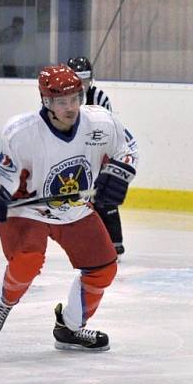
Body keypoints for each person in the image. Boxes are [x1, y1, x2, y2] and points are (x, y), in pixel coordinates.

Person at [0, 64, 138, 350]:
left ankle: (69, 328)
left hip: (75, 209)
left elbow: (127, 148)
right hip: (27, 209)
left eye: (75, 98)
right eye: (62, 101)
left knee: (103, 268)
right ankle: (4, 302)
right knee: (27, 259)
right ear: (46, 102)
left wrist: (119, 174)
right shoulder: (21, 132)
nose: (71, 107)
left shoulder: (101, 122)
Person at [66, 56, 124, 257]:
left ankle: (114, 241)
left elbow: (108, 128)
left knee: (105, 198)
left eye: (85, 80)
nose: (82, 85)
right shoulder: (62, 100)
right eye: (77, 80)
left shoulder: (100, 98)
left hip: (98, 152)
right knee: (80, 201)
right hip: (76, 156)